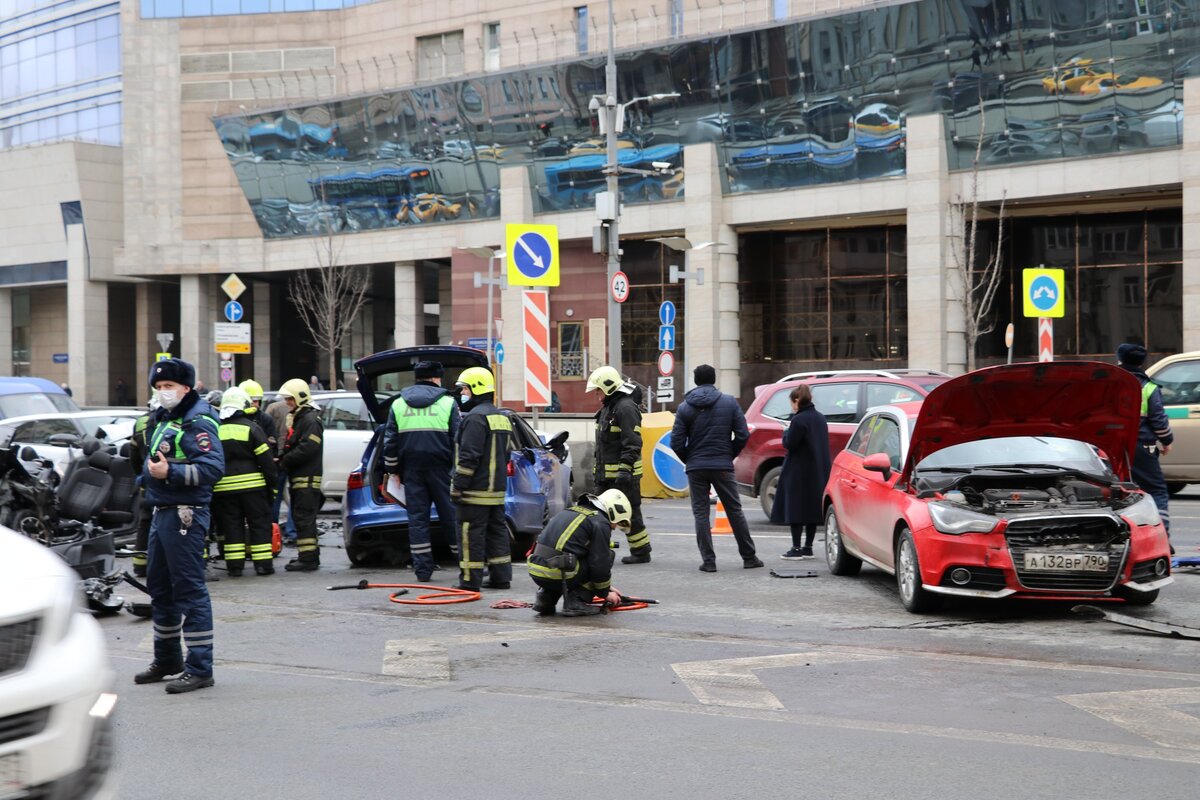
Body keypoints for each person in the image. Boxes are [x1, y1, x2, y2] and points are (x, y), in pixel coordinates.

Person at [135, 358, 224, 694]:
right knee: (160, 589)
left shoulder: (197, 421)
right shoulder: (166, 418)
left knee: (189, 591)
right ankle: (168, 659)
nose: (163, 393)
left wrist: (168, 473)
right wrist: (145, 478)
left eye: (169, 387)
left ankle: (200, 668)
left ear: (186, 387)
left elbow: (213, 468)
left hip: (185, 513)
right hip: (163, 512)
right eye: (159, 388)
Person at [670, 364, 763, 572]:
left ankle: (709, 561)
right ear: (714, 379)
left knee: (701, 514)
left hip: (696, 467)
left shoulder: (685, 407)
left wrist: (690, 459)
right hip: (722, 465)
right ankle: (749, 557)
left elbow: (676, 442)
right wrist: (728, 455)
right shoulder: (729, 403)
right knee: (734, 510)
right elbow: (742, 435)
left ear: (695, 381)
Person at [381, 361, 459, 582]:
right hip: (442, 470)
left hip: (412, 471)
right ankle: (465, 566)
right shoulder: (447, 402)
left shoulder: (398, 404)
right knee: (451, 517)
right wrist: (457, 471)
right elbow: (458, 441)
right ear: (436, 378)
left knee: (417, 521)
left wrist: (393, 469)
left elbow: (390, 442)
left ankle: (423, 571)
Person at [451, 367, 514, 591]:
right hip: (496, 492)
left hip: (474, 493)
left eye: (464, 389)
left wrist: (458, 486)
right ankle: (501, 577)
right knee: (497, 533)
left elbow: (469, 457)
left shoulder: (475, 419)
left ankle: (469, 580)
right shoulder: (502, 418)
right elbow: (505, 455)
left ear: (476, 388)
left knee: (470, 536)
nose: (462, 394)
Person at [528, 489, 631, 617]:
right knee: (608, 555)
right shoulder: (600, 522)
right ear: (613, 511)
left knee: (566, 558)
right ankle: (575, 602)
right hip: (556, 573)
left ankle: (546, 598)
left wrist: (608, 587)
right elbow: (599, 564)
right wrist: (604, 592)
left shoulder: (571, 511)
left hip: (536, 570)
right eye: (618, 522)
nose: (615, 527)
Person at [586, 365, 651, 564]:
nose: (596, 394)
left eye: (598, 389)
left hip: (623, 475)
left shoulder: (625, 408)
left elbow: (633, 442)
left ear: (608, 387)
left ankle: (641, 552)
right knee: (599, 514)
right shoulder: (609, 407)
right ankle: (601, 551)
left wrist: (624, 470)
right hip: (606, 476)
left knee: (630, 513)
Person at [212, 388, 278, 576]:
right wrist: (271, 487)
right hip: (253, 489)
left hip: (224, 490)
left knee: (231, 526)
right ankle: (263, 566)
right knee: (259, 524)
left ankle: (235, 567)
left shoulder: (215, 430)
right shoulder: (252, 428)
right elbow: (267, 461)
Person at [1118, 343, 1174, 540]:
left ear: (1120, 359)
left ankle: (1122, 537)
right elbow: (1158, 420)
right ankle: (1161, 537)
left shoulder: (1111, 383)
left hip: (1112, 447)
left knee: (1119, 491)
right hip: (1141, 447)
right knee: (1156, 491)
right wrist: (1167, 440)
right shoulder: (1148, 388)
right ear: (1142, 362)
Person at [771, 383, 832, 559]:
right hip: (818, 469)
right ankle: (808, 547)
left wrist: (785, 432)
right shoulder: (820, 418)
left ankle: (796, 548)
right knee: (812, 508)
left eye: (792, 402)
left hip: (798, 470)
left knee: (795, 508)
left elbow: (790, 444)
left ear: (797, 400)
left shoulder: (798, 420)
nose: (791, 406)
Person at [277, 378, 325, 571]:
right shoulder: (302, 417)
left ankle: (308, 559)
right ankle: (307, 556)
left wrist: (285, 460)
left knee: (304, 518)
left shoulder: (310, 420)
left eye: (290, 399)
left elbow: (309, 447)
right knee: (301, 517)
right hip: (301, 478)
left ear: (300, 397)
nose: (287, 402)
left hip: (307, 479)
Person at [128, 395, 159, 578]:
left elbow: (133, 457)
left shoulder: (140, 424)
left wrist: (141, 475)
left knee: (145, 523)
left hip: (147, 483)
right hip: (167, 482)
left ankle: (140, 566)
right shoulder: (172, 421)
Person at [265, 390, 297, 544]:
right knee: (295, 496)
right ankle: (292, 531)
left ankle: (273, 530)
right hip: (292, 457)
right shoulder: (297, 409)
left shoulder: (272, 408)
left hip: (276, 459)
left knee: (275, 496)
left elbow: (266, 433)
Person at [239, 379, 277, 451]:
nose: (254, 404)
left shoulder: (265, 419)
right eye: (251, 401)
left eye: (256, 401)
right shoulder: (236, 418)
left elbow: (273, 443)